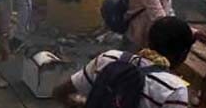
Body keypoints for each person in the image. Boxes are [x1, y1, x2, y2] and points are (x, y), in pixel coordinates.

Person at [53, 16, 195, 108]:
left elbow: (59, 92)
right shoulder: (174, 90)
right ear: (183, 54)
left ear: (148, 41)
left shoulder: (110, 58)